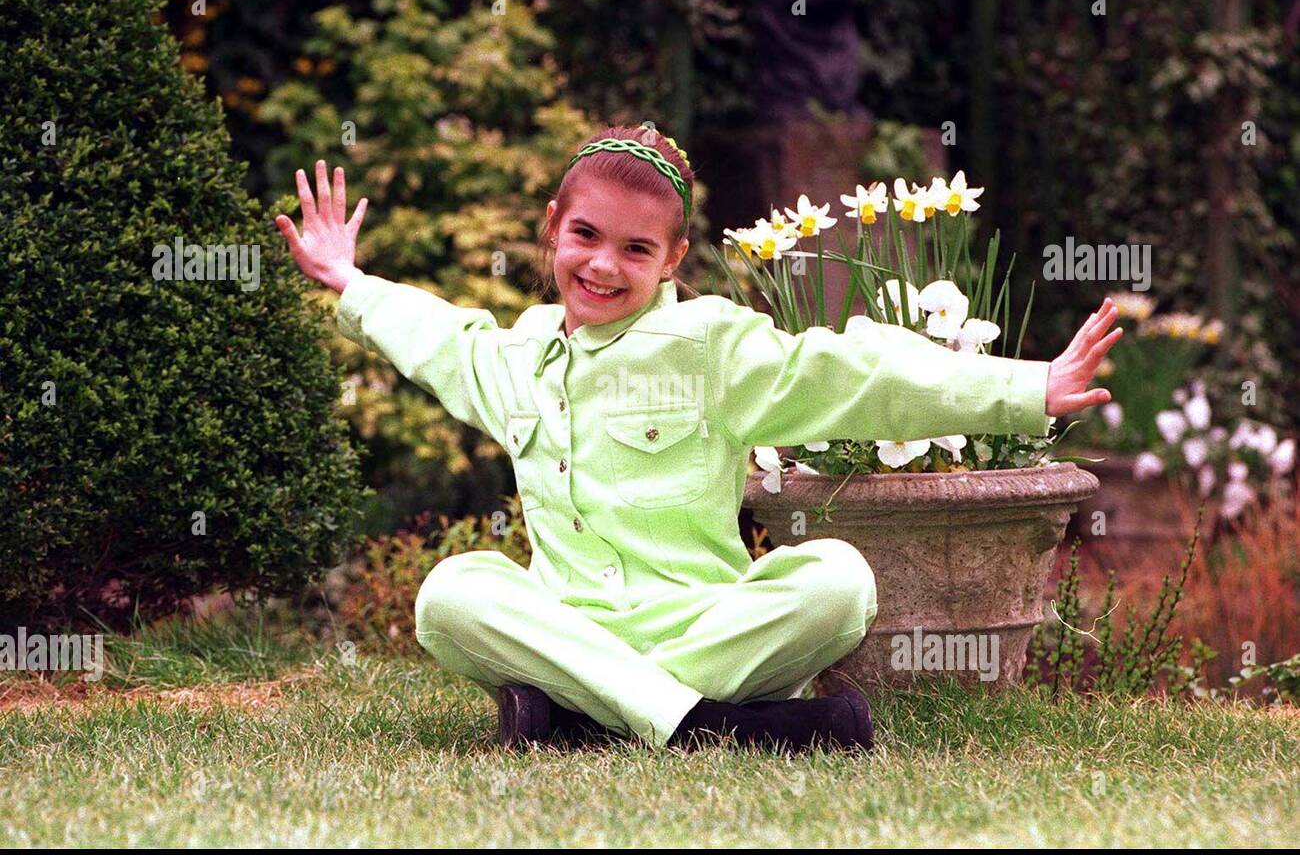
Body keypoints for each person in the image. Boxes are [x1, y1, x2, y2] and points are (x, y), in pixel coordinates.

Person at [275, 124, 1121, 754]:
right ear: (553, 227)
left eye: (636, 249)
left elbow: (851, 373)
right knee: (452, 595)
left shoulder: (713, 345)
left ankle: (581, 721)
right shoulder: (521, 355)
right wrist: (350, 281)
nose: (604, 265)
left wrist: (1024, 387)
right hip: (572, 627)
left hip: (715, 627)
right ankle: (711, 727)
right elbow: (442, 339)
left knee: (838, 581)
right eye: (586, 237)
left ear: (674, 258)